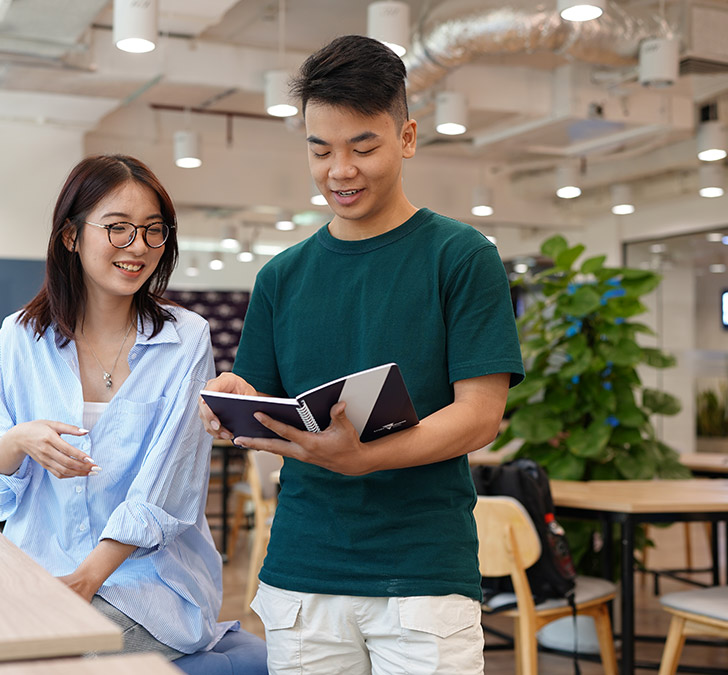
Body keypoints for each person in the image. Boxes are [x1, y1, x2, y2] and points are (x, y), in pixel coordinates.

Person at [199, 35, 525, 674]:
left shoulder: (461, 258)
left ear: (406, 137)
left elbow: (481, 417)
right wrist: (235, 399)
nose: (339, 170)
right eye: (320, 150)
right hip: (303, 573)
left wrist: (361, 459)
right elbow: (266, 406)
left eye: (363, 147)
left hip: (423, 578)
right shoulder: (282, 276)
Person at [0, 154, 248, 663]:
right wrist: (18, 440)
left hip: (151, 584)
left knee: (62, 654)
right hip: (36, 569)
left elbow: (168, 490)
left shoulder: (186, 339)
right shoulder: (20, 339)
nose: (138, 247)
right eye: (117, 229)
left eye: (153, 231)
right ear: (71, 236)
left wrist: (86, 580)